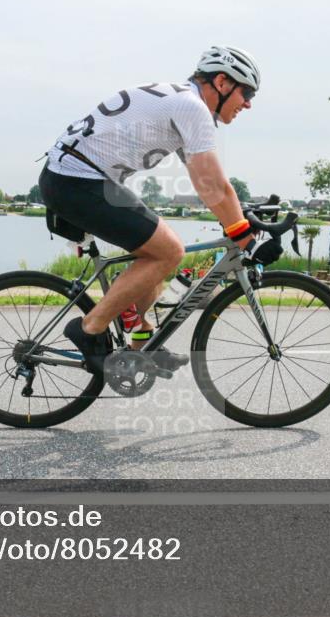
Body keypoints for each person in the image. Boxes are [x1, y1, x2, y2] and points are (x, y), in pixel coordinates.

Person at [39, 46, 282, 374]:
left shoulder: (183, 103)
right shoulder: (192, 107)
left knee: (157, 249)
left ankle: (142, 342)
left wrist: (241, 216)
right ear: (222, 82)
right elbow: (212, 186)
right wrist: (247, 240)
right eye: (247, 92)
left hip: (79, 177)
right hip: (77, 181)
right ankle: (88, 328)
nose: (249, 103)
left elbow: (207, 181)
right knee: (168, 250)